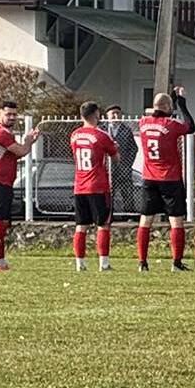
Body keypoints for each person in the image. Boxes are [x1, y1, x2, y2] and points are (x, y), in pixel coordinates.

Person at [134, 87, 195, 273]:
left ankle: (142, 262)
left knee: (145, 221)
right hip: (169, 178)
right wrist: (182, 103)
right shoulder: (171, 124)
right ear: (168, 106)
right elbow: (190, 126)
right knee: (176, 221)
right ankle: (176, 262)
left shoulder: (143, 123)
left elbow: (154, 115)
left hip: (149, 178)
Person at [67, 100, 119, 274]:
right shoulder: (101, 135)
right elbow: (116, 157)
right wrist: (114, 148)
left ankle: (79, 263)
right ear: (96, 114)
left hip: (79, 186)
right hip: (97, 185)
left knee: (81, 226)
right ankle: (104, 264)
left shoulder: (74, 135)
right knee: (103, 225)